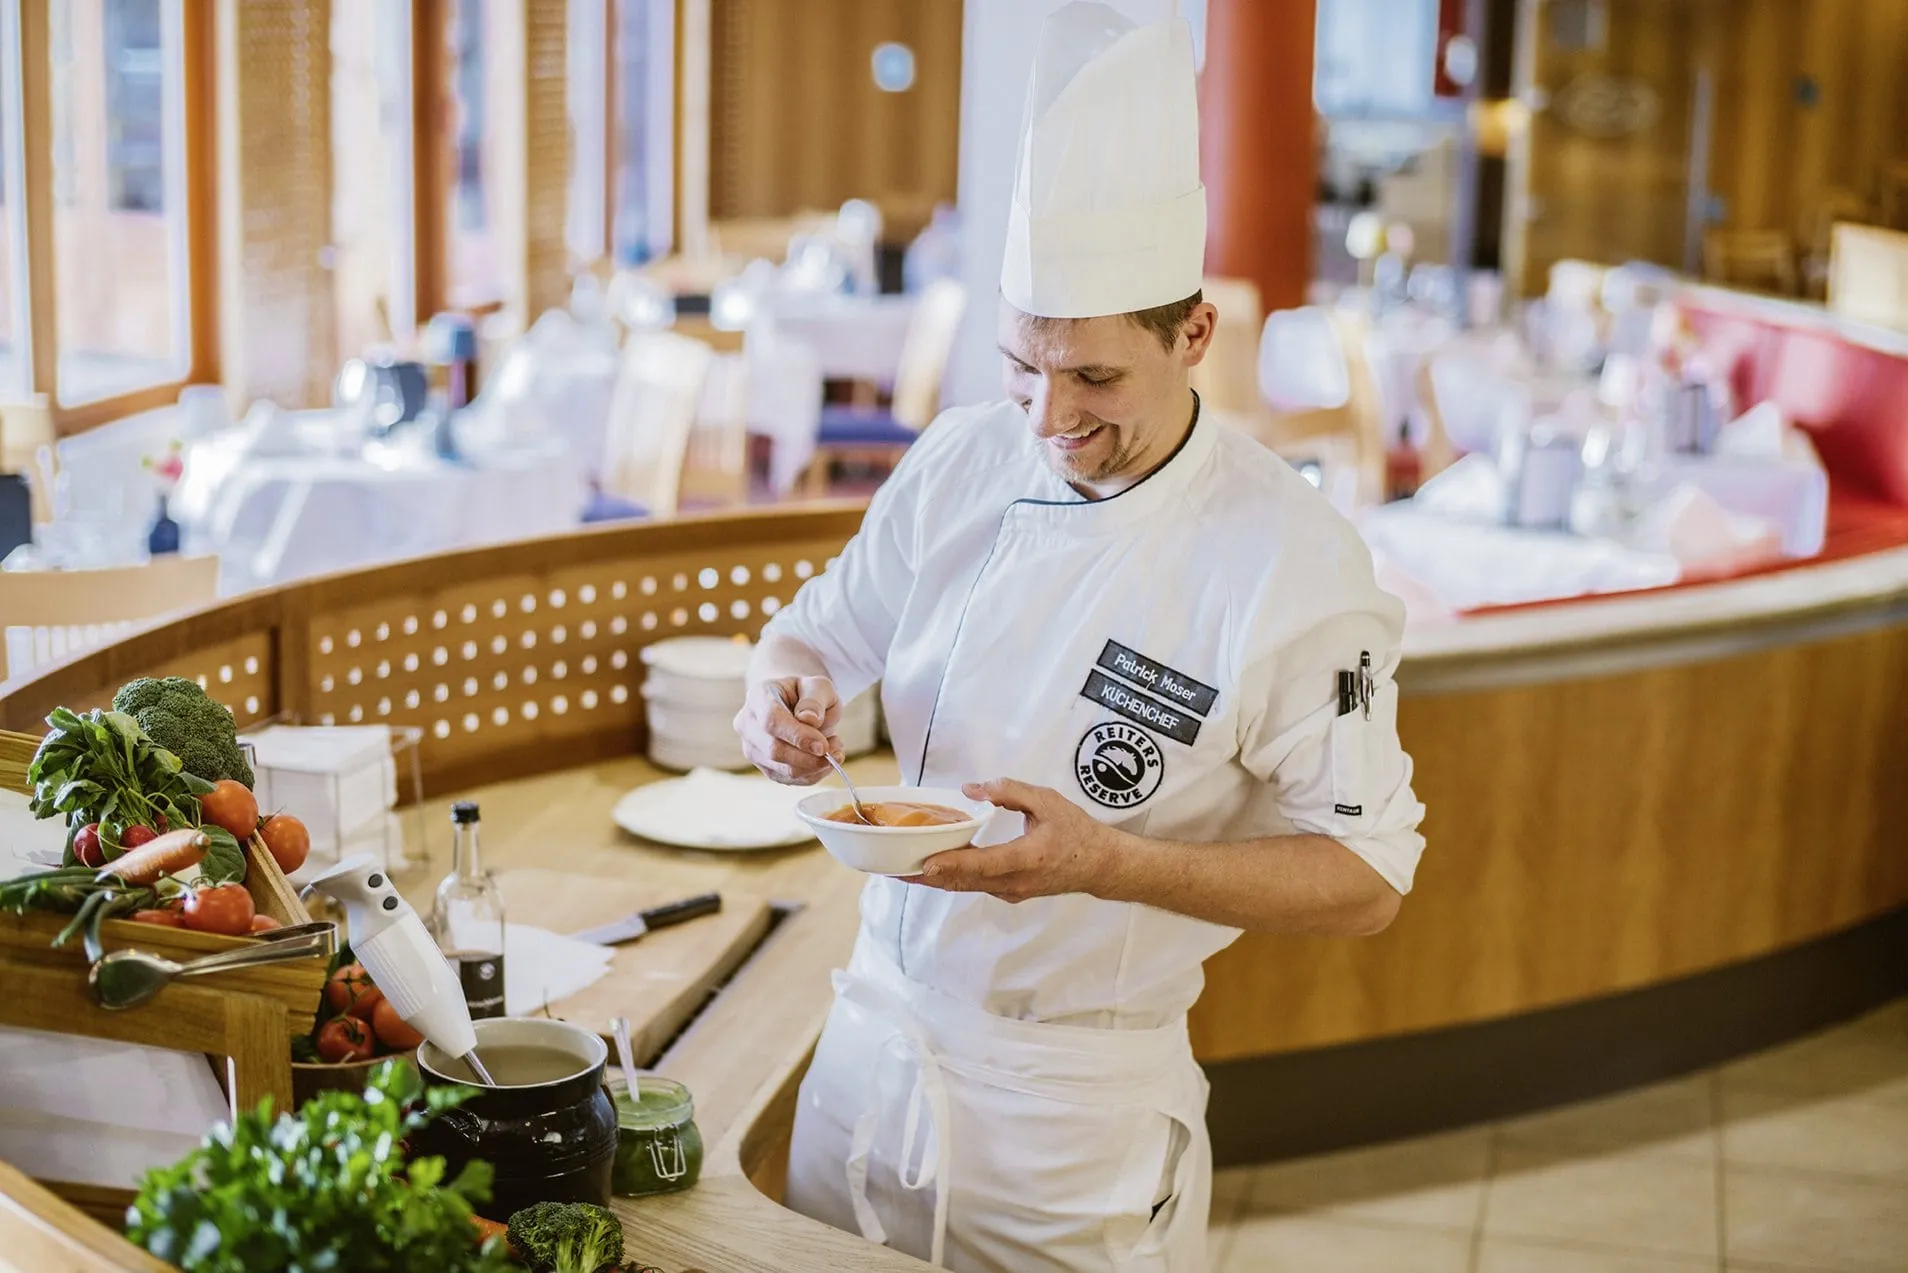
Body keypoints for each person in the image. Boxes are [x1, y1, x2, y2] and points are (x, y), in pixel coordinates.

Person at [733, 5, 1425, 1269]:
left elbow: (1369, 879)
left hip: (1072, 1126)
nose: (1047, 416)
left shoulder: (1290, 558)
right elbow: (809, 639)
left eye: (1095, 380)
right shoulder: (959, 462)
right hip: (868, 1059)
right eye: (1019, 365)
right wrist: (778, 703)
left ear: (1194, 334)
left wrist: (1108, 861)